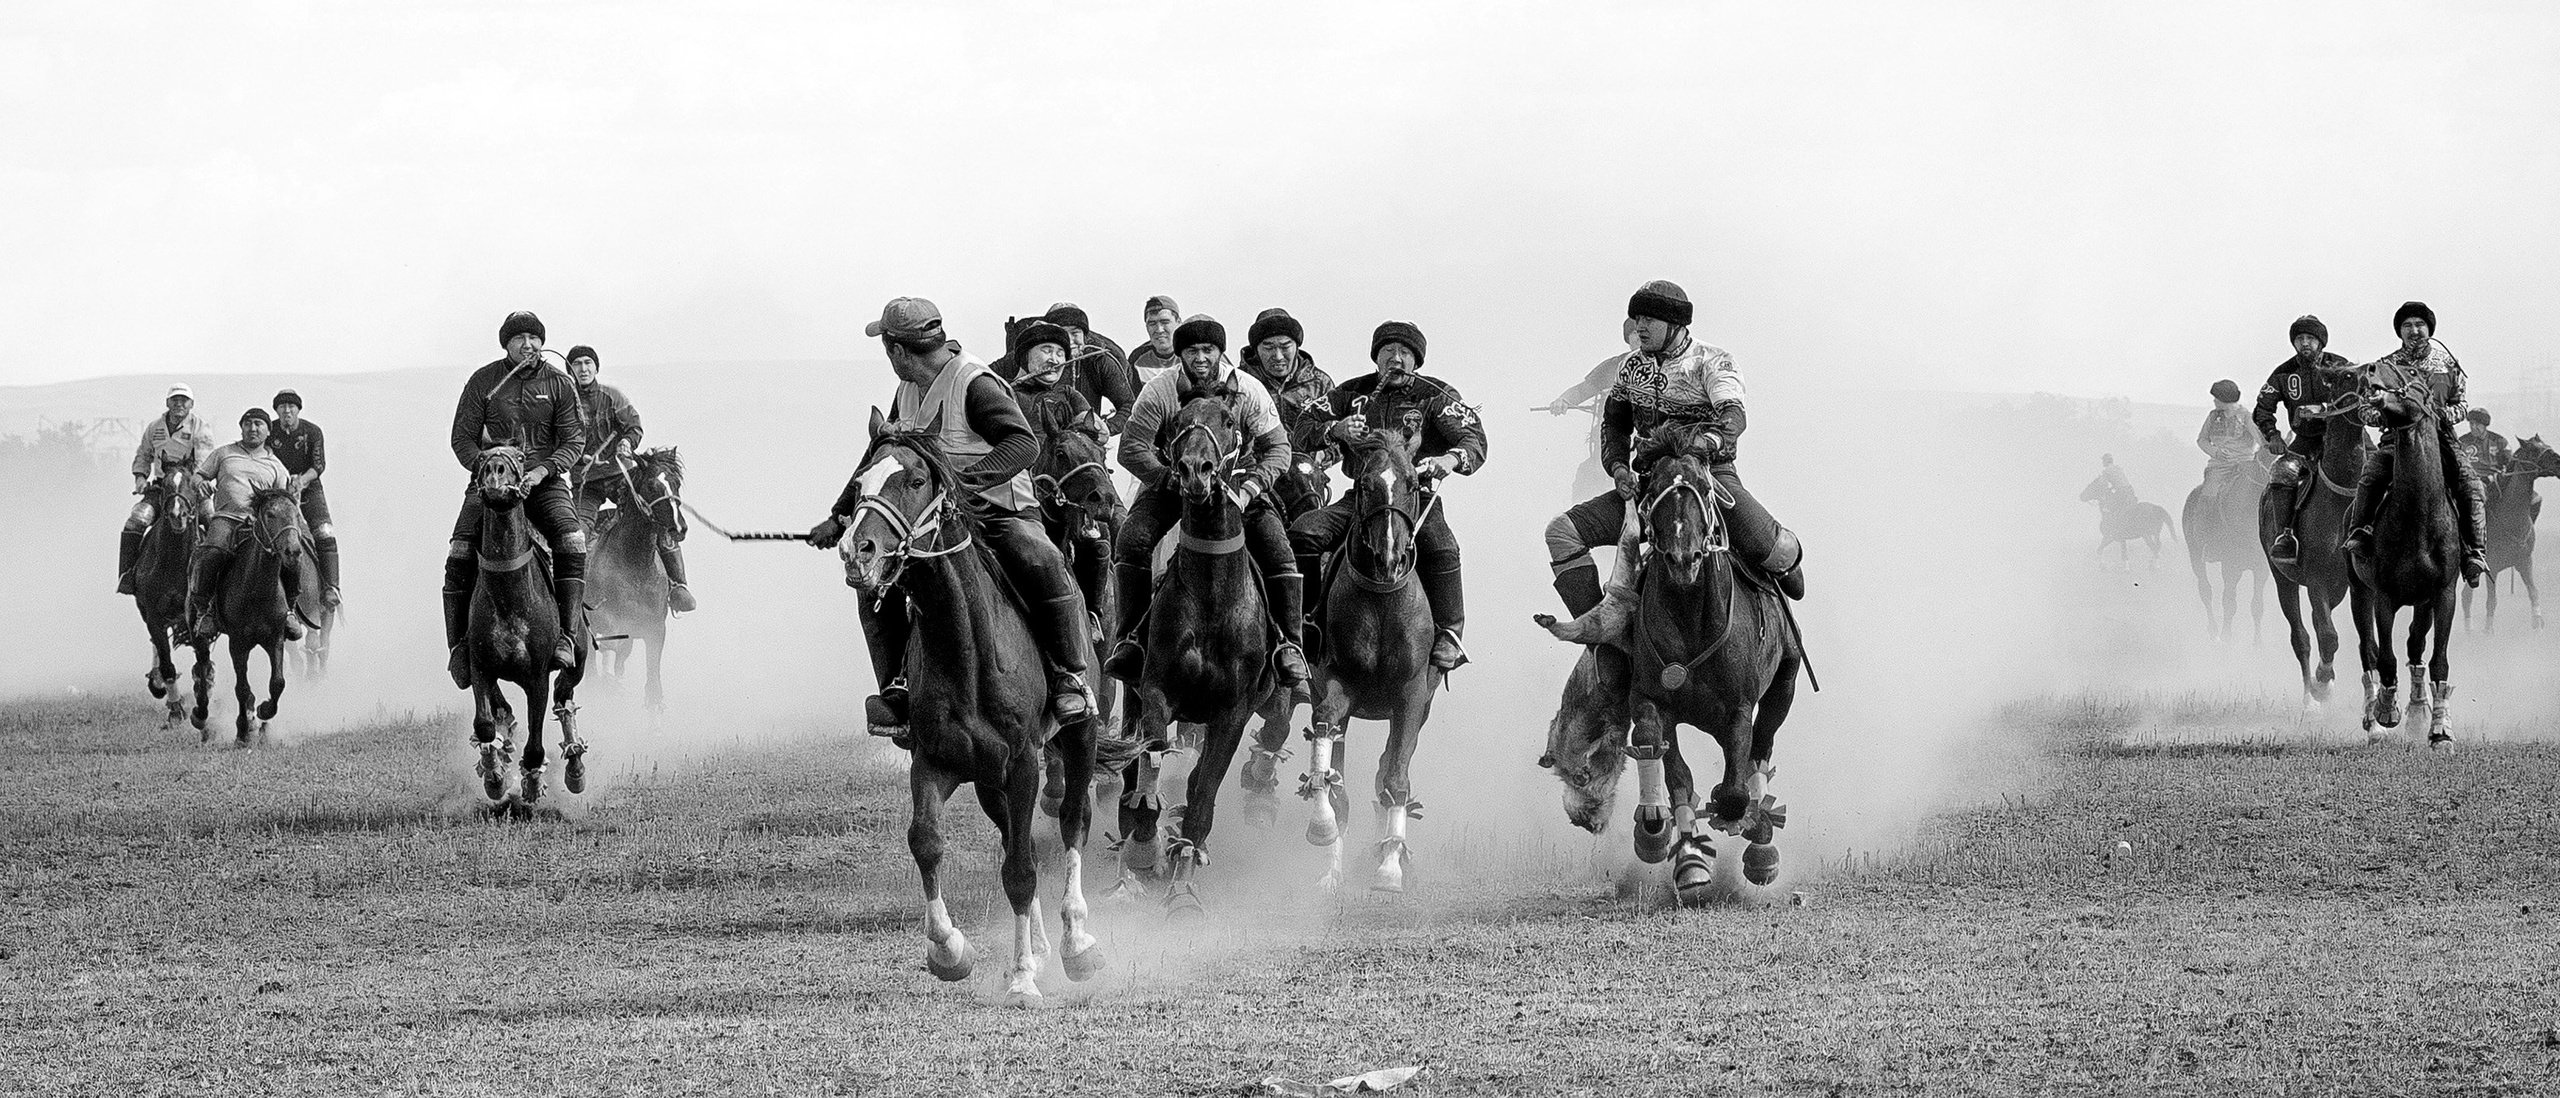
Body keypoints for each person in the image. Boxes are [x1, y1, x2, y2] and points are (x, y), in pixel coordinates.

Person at [806, 297, 1096, 739]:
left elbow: (1023, 444)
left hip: (1001, 509)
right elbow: (881, 456)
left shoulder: (975, 383)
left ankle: (1068, 676)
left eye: (886, 349)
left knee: (1041, 560)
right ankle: (897, 691)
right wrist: (840, 514)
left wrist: (963, 484)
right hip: (936, 515)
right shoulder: (908, 389)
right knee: (874, 582)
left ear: (897, 350)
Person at [1543, 280, 1805, 618]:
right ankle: (1601, 627)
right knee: (1561, 532)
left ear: (1675, 324)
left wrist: (1701, 446)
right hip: (1652, 482)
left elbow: (1733, 418)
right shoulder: (1629, 367)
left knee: (1778, 552)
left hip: (1709, 476)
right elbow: (1615, 423)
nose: (1639, 326)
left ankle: (1782, 593)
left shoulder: (1714, 361)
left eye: (1648, 319)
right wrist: (1619, 467)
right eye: (1637, 318)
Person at [1104, 315, 1311, 690]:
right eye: (1192, 351)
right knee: (1131, 539)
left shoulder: (1248, 389)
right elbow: (1131, 448)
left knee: (1279, 549)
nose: (1200, 358)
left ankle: (1289, 645)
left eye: (1208, 350)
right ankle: (1130, 639)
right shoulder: (1159, 391)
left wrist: (1250, 489)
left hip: (1238, 485)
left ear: (1220, 352)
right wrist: (1169, 479)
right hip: (1175, 481)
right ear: (1179, 355)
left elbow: (1279, 450)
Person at [1288, 320, 1483, 670]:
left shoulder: (1435, 395)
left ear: (1416, 361)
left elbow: (1474, 439)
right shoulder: (1351, 393)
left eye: (1405, 352)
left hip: (1415, 498)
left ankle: (1449, 634)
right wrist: (1335, 429)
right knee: (1304, 531)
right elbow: (1301, 427)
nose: (1396, 358)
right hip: (1362, 496)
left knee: (1443, 547)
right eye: (1388, 351)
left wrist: (1450, 459)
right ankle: (1307, 623)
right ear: (1376, 357)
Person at [445, 311, 589, 686]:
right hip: (492, 482)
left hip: (545, 482)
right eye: (518, 339)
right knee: (460, 550)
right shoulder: (483, 381)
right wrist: (488, 467)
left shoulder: (560, 383)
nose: (528, 345)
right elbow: (462, 438)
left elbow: (574, 439)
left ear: (542, 342)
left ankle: (567, 635)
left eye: (534, 338)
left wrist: (541, 471)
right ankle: (459, 647)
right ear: (506, 344)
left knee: (572, 540)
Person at [2342, 301, 2488, 584]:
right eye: (2407, 325)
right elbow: (2364, 408)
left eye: (2420, 324)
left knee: (2472, 485)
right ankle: (2360, 532)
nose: (2414, 330)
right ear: (2400, 331)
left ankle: (2475, 552)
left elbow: (2461, 405)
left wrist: (2440, 414)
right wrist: (2379, 413)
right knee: (2371, 476)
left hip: (2442, 440)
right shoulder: (2384, 366)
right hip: (2397, 439)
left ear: (2429, 329)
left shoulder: (2448, 364)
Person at [565, 345, 696, 613]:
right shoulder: (563, 403)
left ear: (596, 367)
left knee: (657, 513)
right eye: (577, 364)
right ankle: (579, 594)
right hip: (586, 483)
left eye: (588, 363)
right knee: (578, 534)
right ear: (570, 370)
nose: (583, 368)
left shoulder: (612, 396)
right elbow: (557, 441)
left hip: (621, 476)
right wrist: (577, 457)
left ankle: (678, 586)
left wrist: (627, 441)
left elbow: (634, 426)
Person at [183, 407, 301, 642]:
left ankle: (289, 610)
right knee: (212, 553)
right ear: (241, 428)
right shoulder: (224, 453)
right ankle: (205, 612)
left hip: (261, 526)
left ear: (268, 431)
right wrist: (200, 484)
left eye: (258, 424)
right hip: (227, 518)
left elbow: (283, 502)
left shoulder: (276, 466)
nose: (252, 428)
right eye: (248, 423)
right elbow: (198, 476)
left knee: (292, 557)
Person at [2253, 315, 2361, 566]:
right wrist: (2273, 435)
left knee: (2381, 468)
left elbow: (2357, 399)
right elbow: (2262, 409)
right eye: (2299, 338)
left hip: (2347, 439)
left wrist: (2323, 409)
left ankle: (2378, 533)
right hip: (2306, 441)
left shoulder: (2341, 367)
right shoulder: (2283, 373)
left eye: (2310, 338)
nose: (2304, 343)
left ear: (2321, 342)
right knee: (2281, 471)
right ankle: (2285, 535)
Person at [117, 384, 215, 595]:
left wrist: (197, 482)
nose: (179, 404)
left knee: (212, 517)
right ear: (167, 403)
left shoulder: (200, 427)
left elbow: (204, 460)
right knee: (137, 519)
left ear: (191, 404)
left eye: (183, 400)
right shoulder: (155, 427)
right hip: (162, 486)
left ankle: (218, 578)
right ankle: (127, 574)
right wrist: (140, 478)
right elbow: (143, 454)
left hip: (191, 486)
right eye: (175, 400)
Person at [267, 390, 340, 607]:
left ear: (298, 409)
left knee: (324, 531)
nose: (287, 411)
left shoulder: (312, 432)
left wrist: (301, 481)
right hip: (277, 488)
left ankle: (331, 587)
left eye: (291, 406)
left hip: (309, 488)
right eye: (282, 407)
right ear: (277, 410)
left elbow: (319, 465)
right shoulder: (268, 430)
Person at [2196, 379, 2261, 502]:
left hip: (2245, 464)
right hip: (2219, 466)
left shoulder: (2247, 417)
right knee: (2208, 495)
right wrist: (2216, 452)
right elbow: (2202, 439)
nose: (2214, 401)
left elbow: (2261, 439)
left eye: (2216, 398)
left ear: (2224, 399)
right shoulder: (2213, 416)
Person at [1128, 296, 1183, 388]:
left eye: (1165, 322)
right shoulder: (1137, 358)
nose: (1159, 330)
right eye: (1152, 323)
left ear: (1179, 322)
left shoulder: (1192, 352)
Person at [2455, 408, 2512, 475]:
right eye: (2471, 423)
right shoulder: (2462, 441)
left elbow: (2509, 464)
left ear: (2485, 425)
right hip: (2471, 477)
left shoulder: (2499, 441)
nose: (2473, 427)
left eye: (2477, 424)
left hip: (2494, 478)